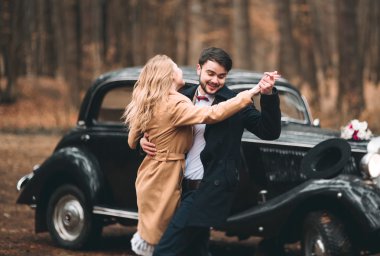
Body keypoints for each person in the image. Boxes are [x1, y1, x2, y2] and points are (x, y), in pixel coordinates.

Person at [140, 47, 282, 256]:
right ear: (199, 69)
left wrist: (268, 95)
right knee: (195, 249)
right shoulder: (181, 96)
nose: (215, 80)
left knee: (166, 249)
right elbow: (152, 121)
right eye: (210, 73)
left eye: (221, 76)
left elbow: (269, 132)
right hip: (176, 187)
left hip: (210, 188)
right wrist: (143, 138)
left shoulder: (236, 102)